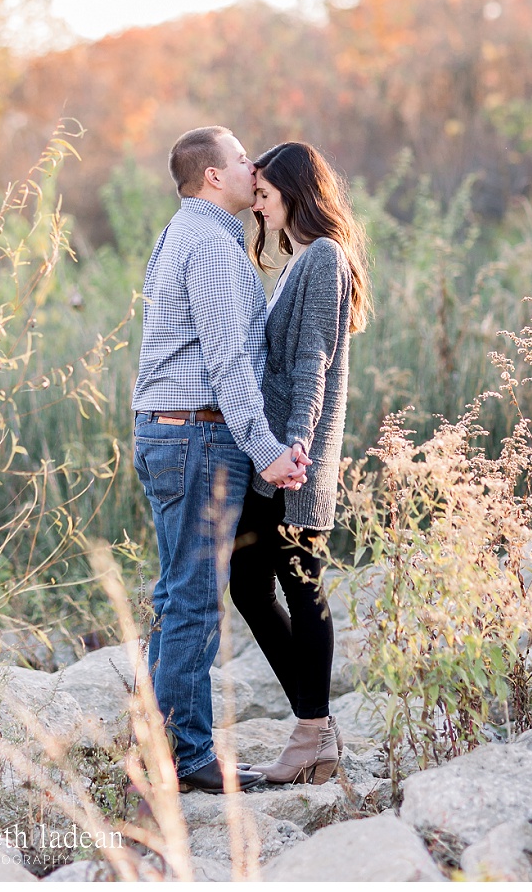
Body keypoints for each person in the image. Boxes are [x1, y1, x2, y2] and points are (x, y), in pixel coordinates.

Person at [132, 126, 311, 794]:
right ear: (212, 176)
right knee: (193, 603)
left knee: (181, 595)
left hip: (183, 435)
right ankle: (183, 757)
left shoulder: (193, 233)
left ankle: (166, 747)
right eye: (240, 158)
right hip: (196, 439)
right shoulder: (207, 244)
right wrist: (265, 448)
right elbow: (227, 359)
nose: (251, 165)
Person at [228, 141, 371, 785]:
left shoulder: (323, 259)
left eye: (263, 195)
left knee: (294, 582)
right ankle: (317, 731)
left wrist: (293, 451)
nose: (258, 206)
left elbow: (311, 360)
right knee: (252, 583)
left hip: (292, 458)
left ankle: (313, 735)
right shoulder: (304, 262)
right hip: (278, 456)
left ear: (292, 191)